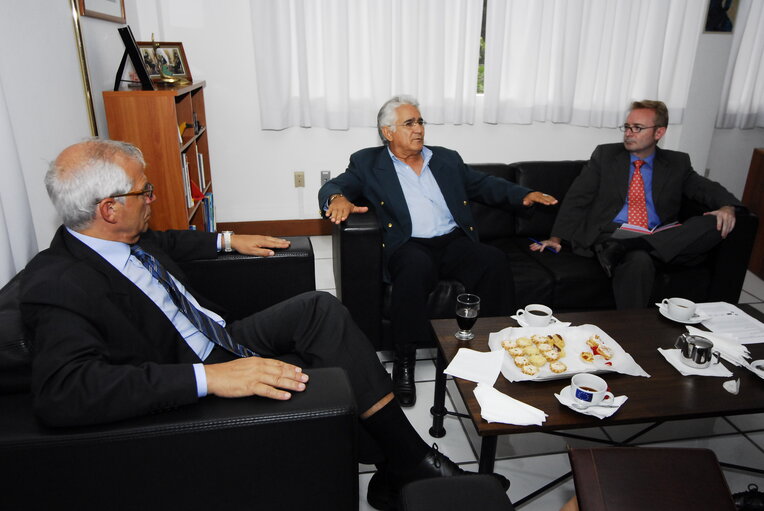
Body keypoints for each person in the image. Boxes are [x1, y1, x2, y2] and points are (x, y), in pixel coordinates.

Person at [20, 139, 509, 511]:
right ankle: (411, 463)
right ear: (108, 208)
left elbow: (171, 240)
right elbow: (65, 391)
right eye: (143, 191)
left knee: (320, 308)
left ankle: (400, 465)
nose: (152, 197)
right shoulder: (59, 283)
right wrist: (209, 377)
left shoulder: (125, 238)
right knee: (334, 357)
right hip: (198, 365)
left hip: (222, 335)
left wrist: (231, 239)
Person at [319, 95, 558, 406]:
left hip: (452, 241)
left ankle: (496, 348)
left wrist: (523, 195)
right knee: (413, 267)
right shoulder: (368, 163)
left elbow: (484, 184)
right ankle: (404, 363)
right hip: (408, 244)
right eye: (409, 123)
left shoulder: (445, 159)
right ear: (387, 132)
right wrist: (336, 198)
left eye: (420, 121)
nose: (418, 129)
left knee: (492, 261)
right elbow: (334, 186)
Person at [530, 100, 743, 309]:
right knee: (639, 261)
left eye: (637, 128)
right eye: (627, 127)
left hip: (659, 234)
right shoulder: (605, 156)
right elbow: (578, 198)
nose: (628, 133)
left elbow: (704, 188)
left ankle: (641, 245)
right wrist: (555, 237)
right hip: (614, 234)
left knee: (717, 221)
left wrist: (727, 205)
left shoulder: (677, 163)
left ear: (659, 133)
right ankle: (633, 330)